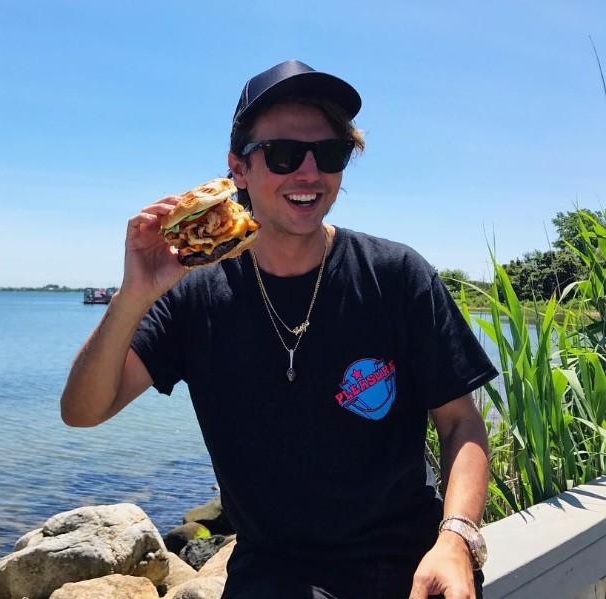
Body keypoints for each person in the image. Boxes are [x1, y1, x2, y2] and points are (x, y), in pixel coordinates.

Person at [61, 60, 498, 599]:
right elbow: (83, 410)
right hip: (270, 574)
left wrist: (456, 539)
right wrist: (133, 295)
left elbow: (461, 425)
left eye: (330, 153)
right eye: (284, 154)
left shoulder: (395, 275)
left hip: (403, 567)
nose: (308, 173)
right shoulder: (194, 293)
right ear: (237, 170)